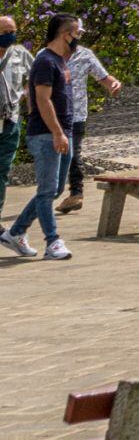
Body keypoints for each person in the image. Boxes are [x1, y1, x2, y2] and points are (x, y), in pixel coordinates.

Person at [1, 13, 77, 260]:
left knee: (49, 189)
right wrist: (53, 130)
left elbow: (32, 91)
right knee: (47, 190)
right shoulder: (46, 60)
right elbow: (43, 97)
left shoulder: (40, 58)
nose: (8, 35)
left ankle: (15, 232)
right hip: (46, 133)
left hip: (31, 126)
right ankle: (52, 241)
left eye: (11, 30)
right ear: (65, 34)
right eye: (77, 33)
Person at [59, 20, 122, 214]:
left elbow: (103, 77)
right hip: (52, 113)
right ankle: (53, 191)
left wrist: (113, 83)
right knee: (57, 154)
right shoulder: (47, 56)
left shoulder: (85, 55)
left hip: (77, 114)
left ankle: (76, 193)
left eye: (80, 34)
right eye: (75, 34)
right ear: (63, 33)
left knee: (72, 152)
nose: (78, 38)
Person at [0, 17, 27, 200]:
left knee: (2, 171)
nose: (10, 36)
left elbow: (37, 76)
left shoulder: (20, 54)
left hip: (10, 121)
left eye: (13, 31)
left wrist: (22, 93)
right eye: (5, 32)